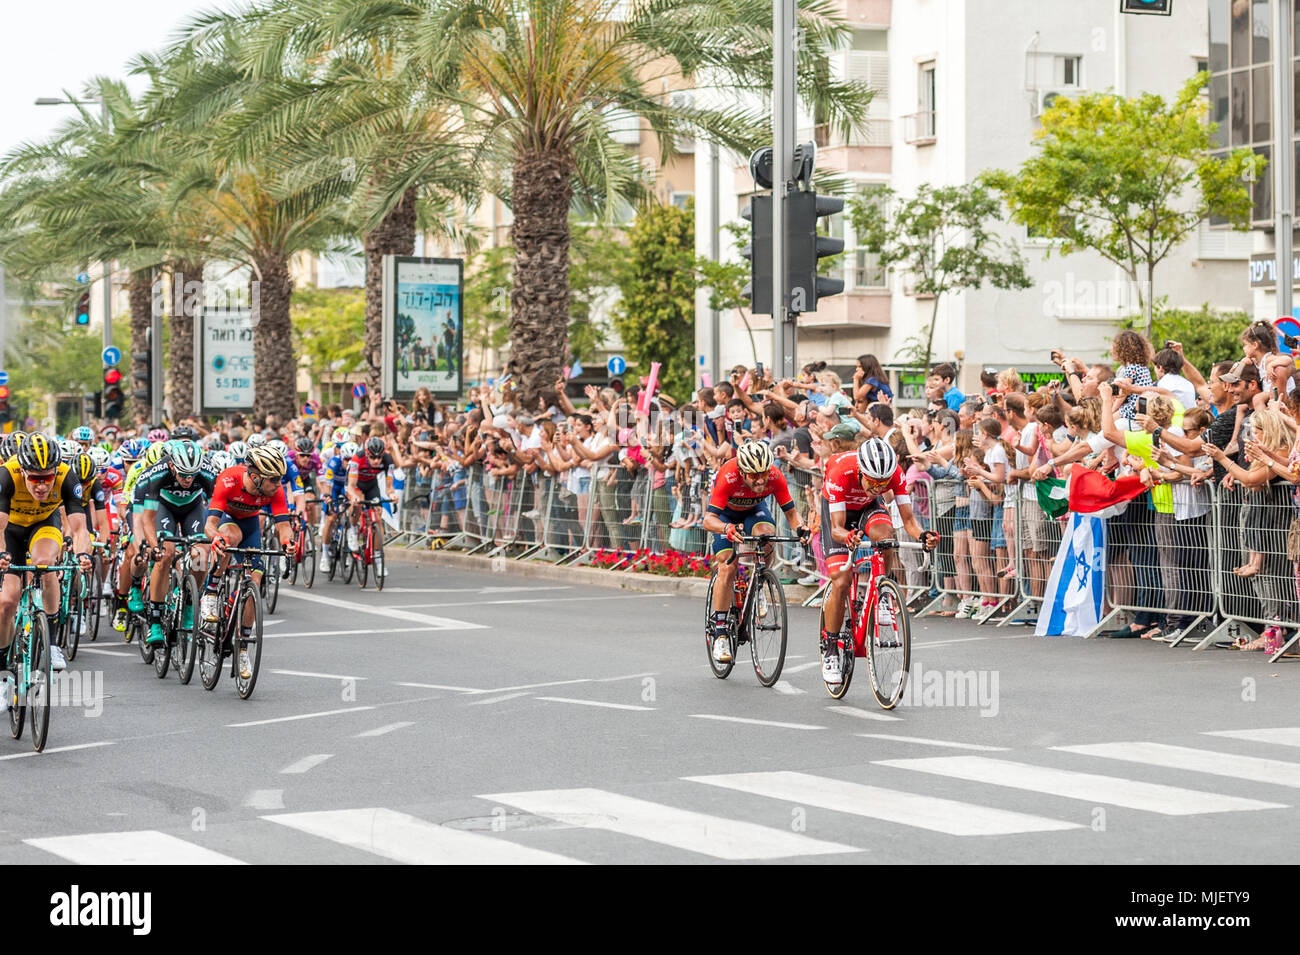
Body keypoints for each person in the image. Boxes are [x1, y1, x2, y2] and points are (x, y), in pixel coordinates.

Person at [818, 437, 938, 684]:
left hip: (868, 508)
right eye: (872, 482)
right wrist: (849, 536)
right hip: (839, 513)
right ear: (861, 471)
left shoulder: (894, 474)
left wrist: (924, 536)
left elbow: (909, 522)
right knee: (841, 582)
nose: (877, 487)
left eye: (883, 484)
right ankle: (830, 647)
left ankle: (882, 591)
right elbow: (837, 528)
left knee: (886, 537)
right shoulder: (840, 472)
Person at [700, 442, 809, 665]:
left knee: (767, 536)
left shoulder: (775, 477)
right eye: (754, 475)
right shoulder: (728, 476)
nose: (760, 480)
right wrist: (726, 529)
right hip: (725, 518)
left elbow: (791, 513)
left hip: (753, 512)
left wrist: (801, 528)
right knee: (728, 566)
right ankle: (720, 631)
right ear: (741, 472)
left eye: (764, 474)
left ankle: (758, 581)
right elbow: (708, 520)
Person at [0, 435, 94, 679]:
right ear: (22, 471)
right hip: (9, 530)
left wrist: (83, 553)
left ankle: (51, 644)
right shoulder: (6, 475)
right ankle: (2, 670)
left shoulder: (66, 476)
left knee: (45, 565)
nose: (41, 486)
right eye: (34, 478)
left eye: (47, 478)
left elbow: (79, 527)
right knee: (6, 603)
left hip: (43, 524)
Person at [203, 445, 297, 681]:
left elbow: (282, 523)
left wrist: (287, 541)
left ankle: (243, 646)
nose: (278, 484)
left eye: (280, 479)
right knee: (229, 538)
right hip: (228, 521)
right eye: (274, 479)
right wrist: (215, 538)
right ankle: (212, 590)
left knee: (256, 576)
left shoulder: (274, 490)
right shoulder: (228, 480)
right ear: (256, 477)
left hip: (251, 525)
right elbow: (210, 524)